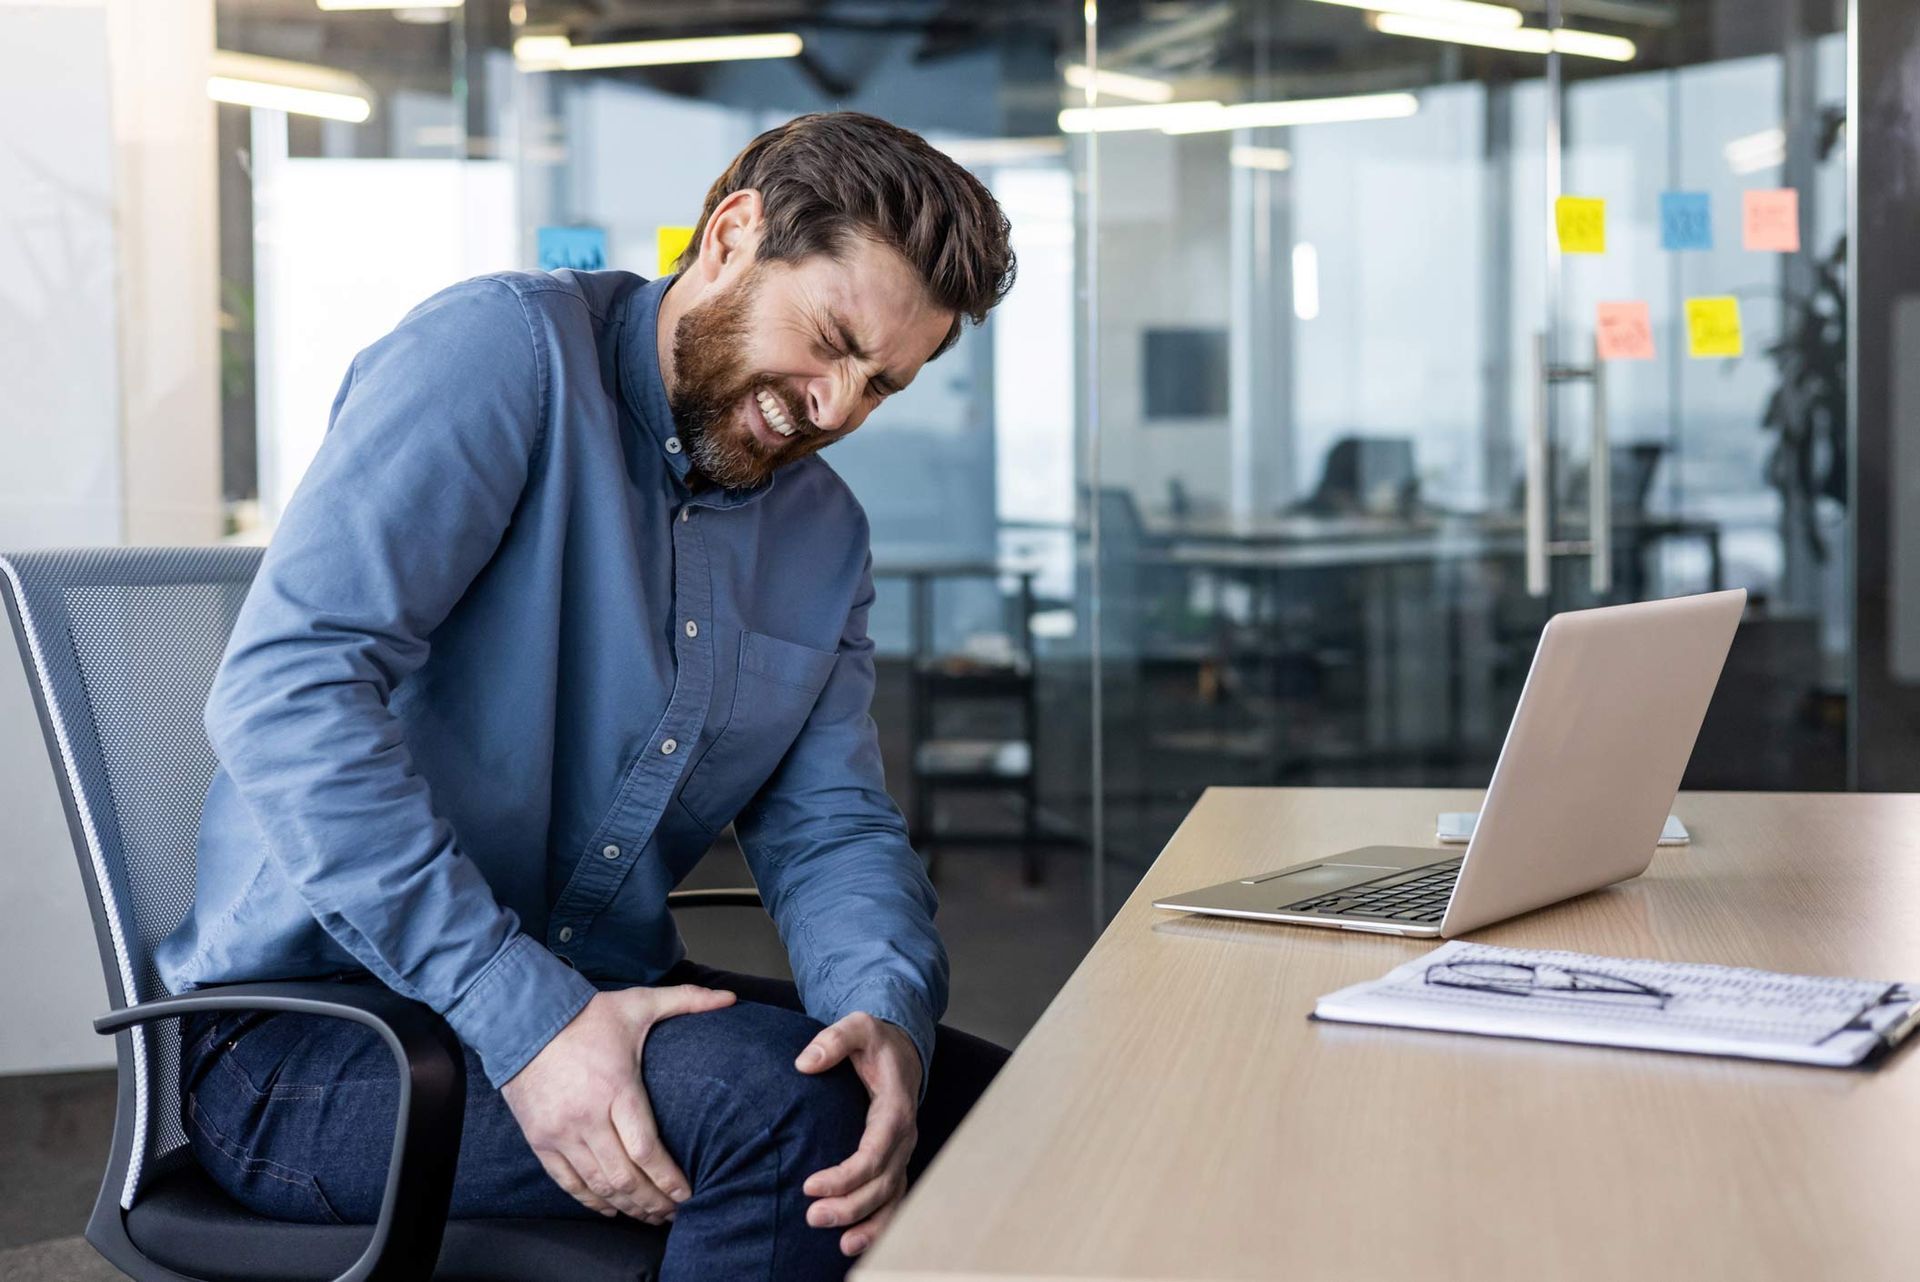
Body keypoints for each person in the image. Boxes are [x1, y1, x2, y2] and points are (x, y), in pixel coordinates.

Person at [155, 111, 1017, 1280]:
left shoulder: (822, 533)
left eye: (881, 385)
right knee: (786, 1121)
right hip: (320, 1033)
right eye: (829, 340)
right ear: (731, 236)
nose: (833, 408)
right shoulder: (501, 357)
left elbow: (830, 822)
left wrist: (884, 1013)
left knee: (998, 1113)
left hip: (606, 990)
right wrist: (534, 1024)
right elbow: (285, 694)